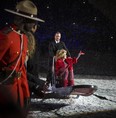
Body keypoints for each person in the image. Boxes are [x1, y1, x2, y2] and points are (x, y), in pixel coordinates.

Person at [0, 0, 45, 111]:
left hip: (18, 90)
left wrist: (26, 93)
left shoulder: (24, 38)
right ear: (22, 20)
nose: (34, 25)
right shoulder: (6, 36)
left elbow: (22, 70)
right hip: (5, 92)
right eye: (32, 21)